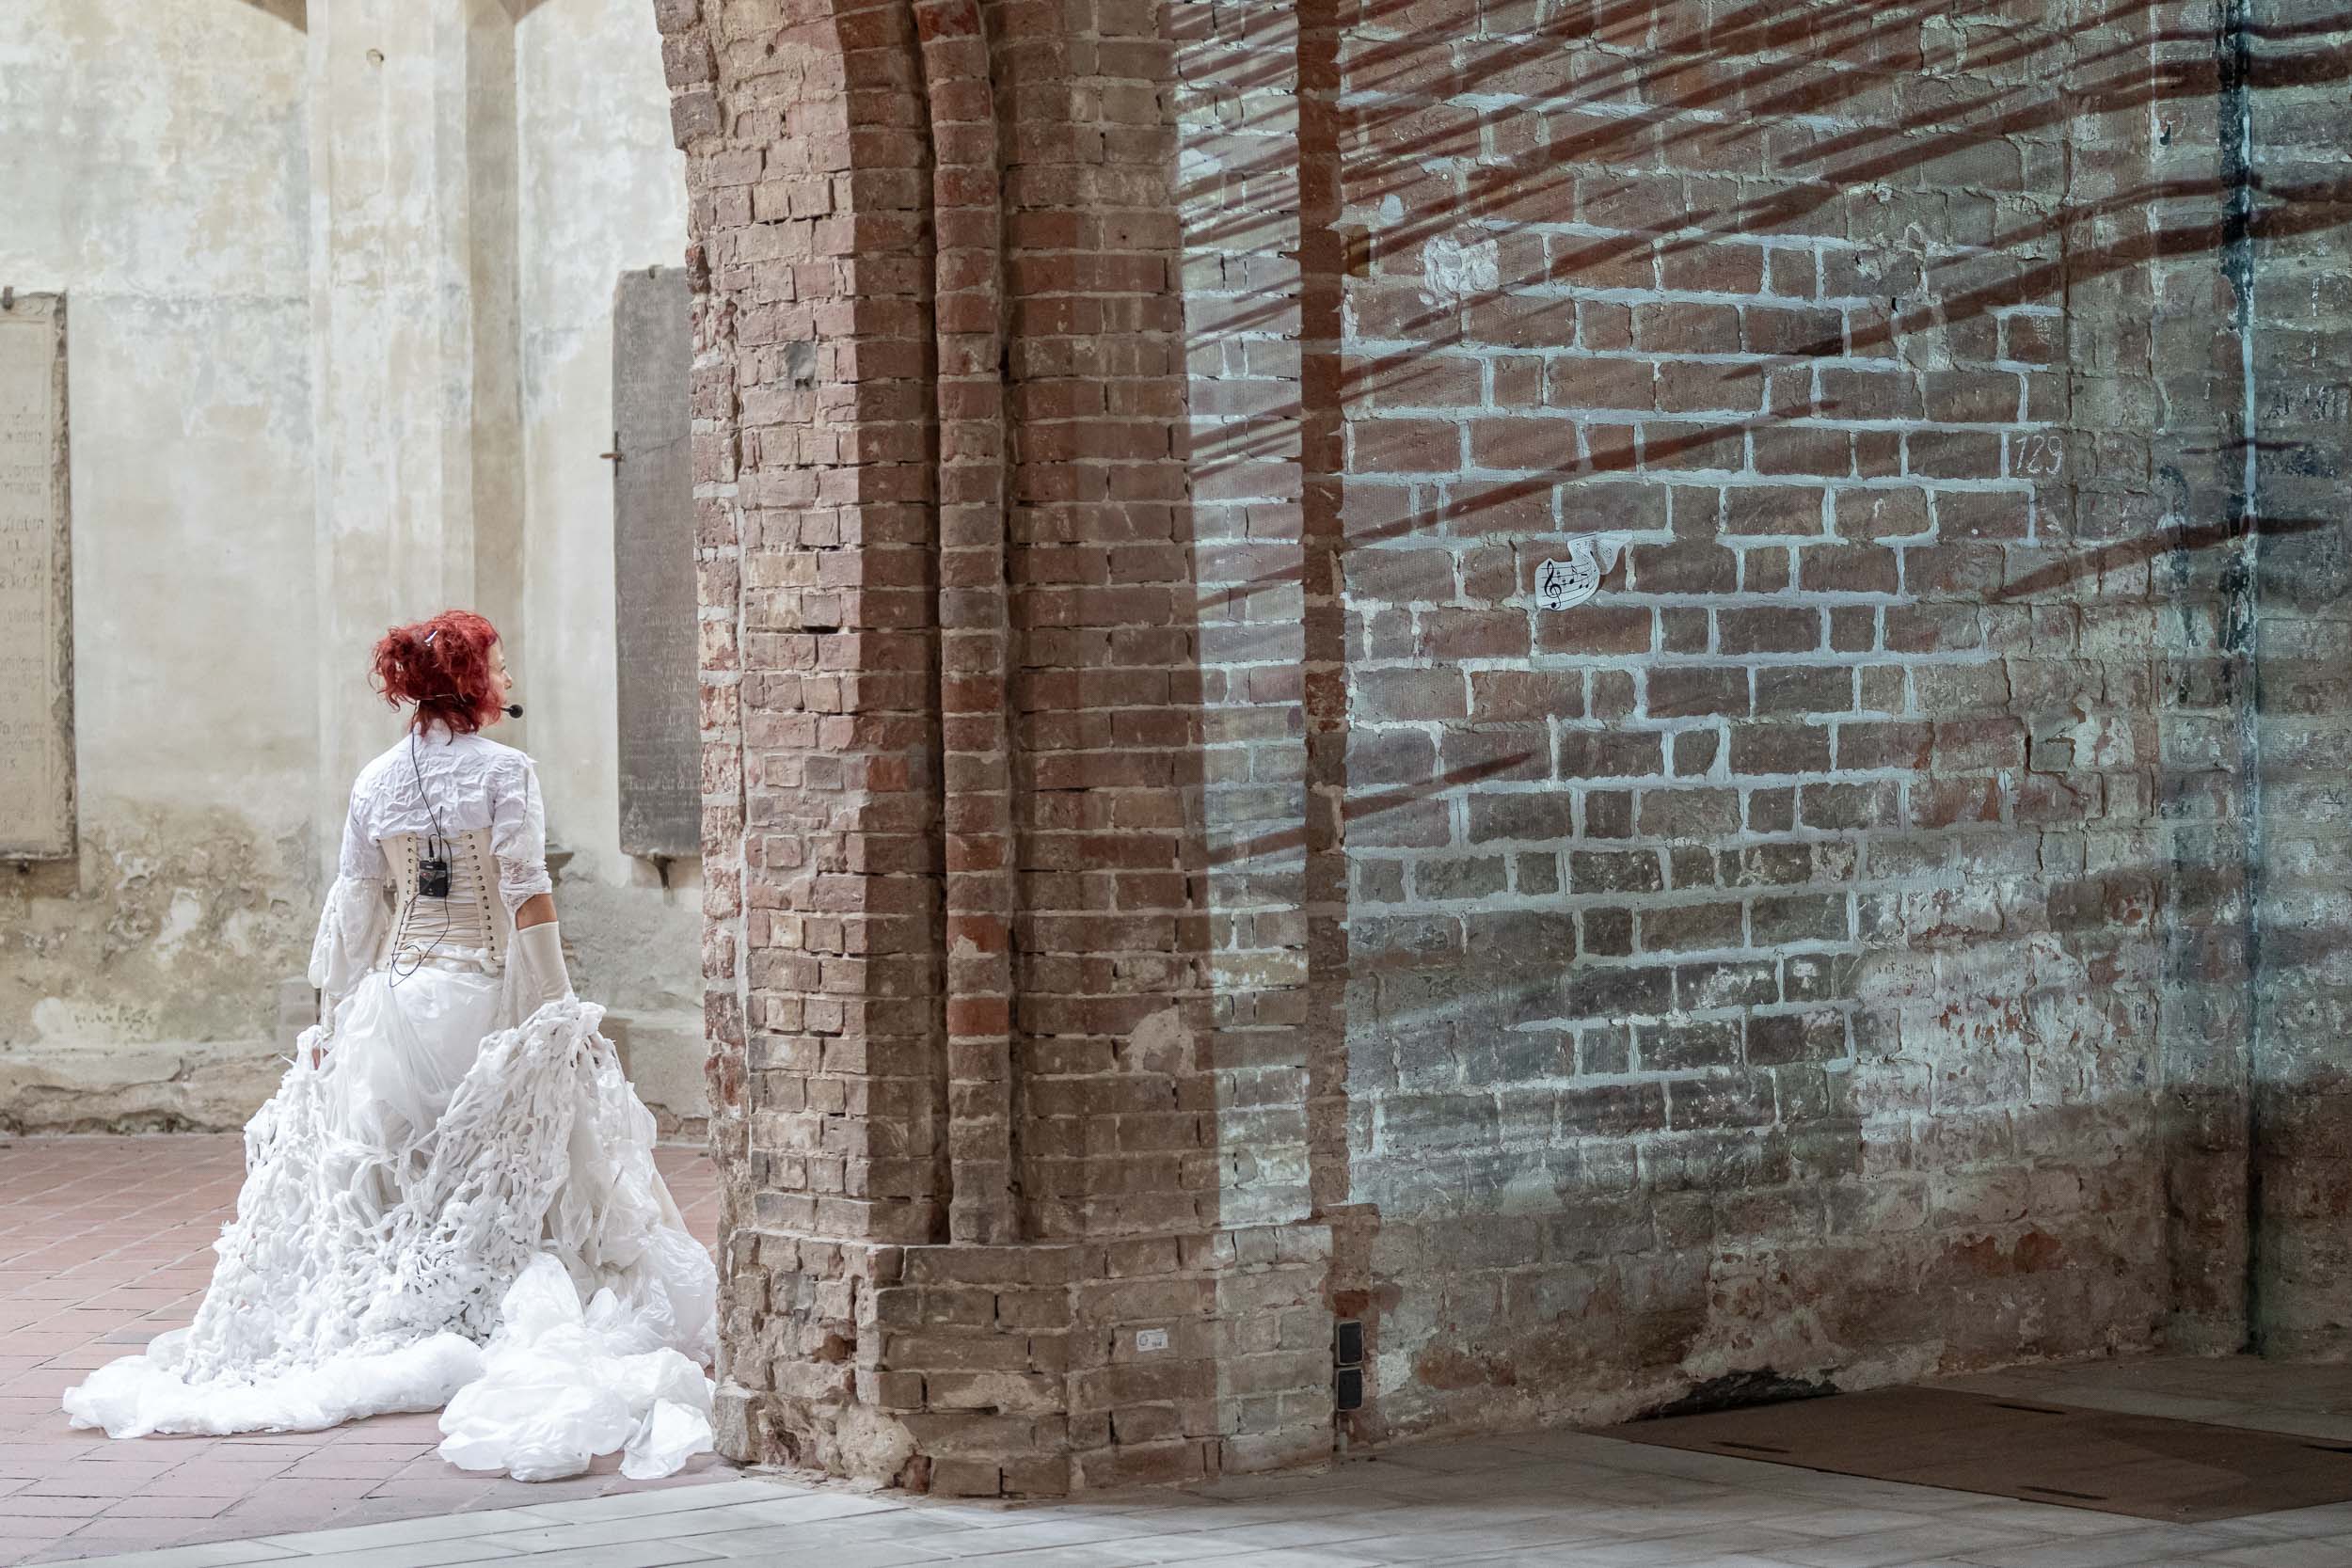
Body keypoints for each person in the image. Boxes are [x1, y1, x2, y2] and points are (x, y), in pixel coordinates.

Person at [62, 610, 718, 1482]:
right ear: (473, 681)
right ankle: (478, 1295)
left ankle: (408, 1297)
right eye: (498, 663)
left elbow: (357, 908)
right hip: (485, 991)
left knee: (399, 1167)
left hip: (400, 1000)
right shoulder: (506, 771)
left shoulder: (377, 780)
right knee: (513, 1153)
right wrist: (557, 1006)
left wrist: (336, 1016)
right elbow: (525, 893)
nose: (507, 675)